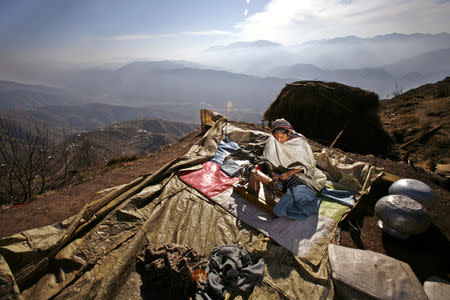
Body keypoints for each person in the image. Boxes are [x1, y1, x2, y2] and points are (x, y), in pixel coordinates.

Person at [250, 118, 327, 219]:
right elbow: (268, 157)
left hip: (299, 171)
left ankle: (288, 191)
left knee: (299, 188)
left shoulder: (300, 143)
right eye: (276, 138)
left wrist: (289, 173)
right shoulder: (273, 139)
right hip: (280, 169)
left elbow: (307, 165)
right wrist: (272, 172)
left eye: (281, 137)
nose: (279, 141)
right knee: (260, 167)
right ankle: (279, 186)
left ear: (289, 132)